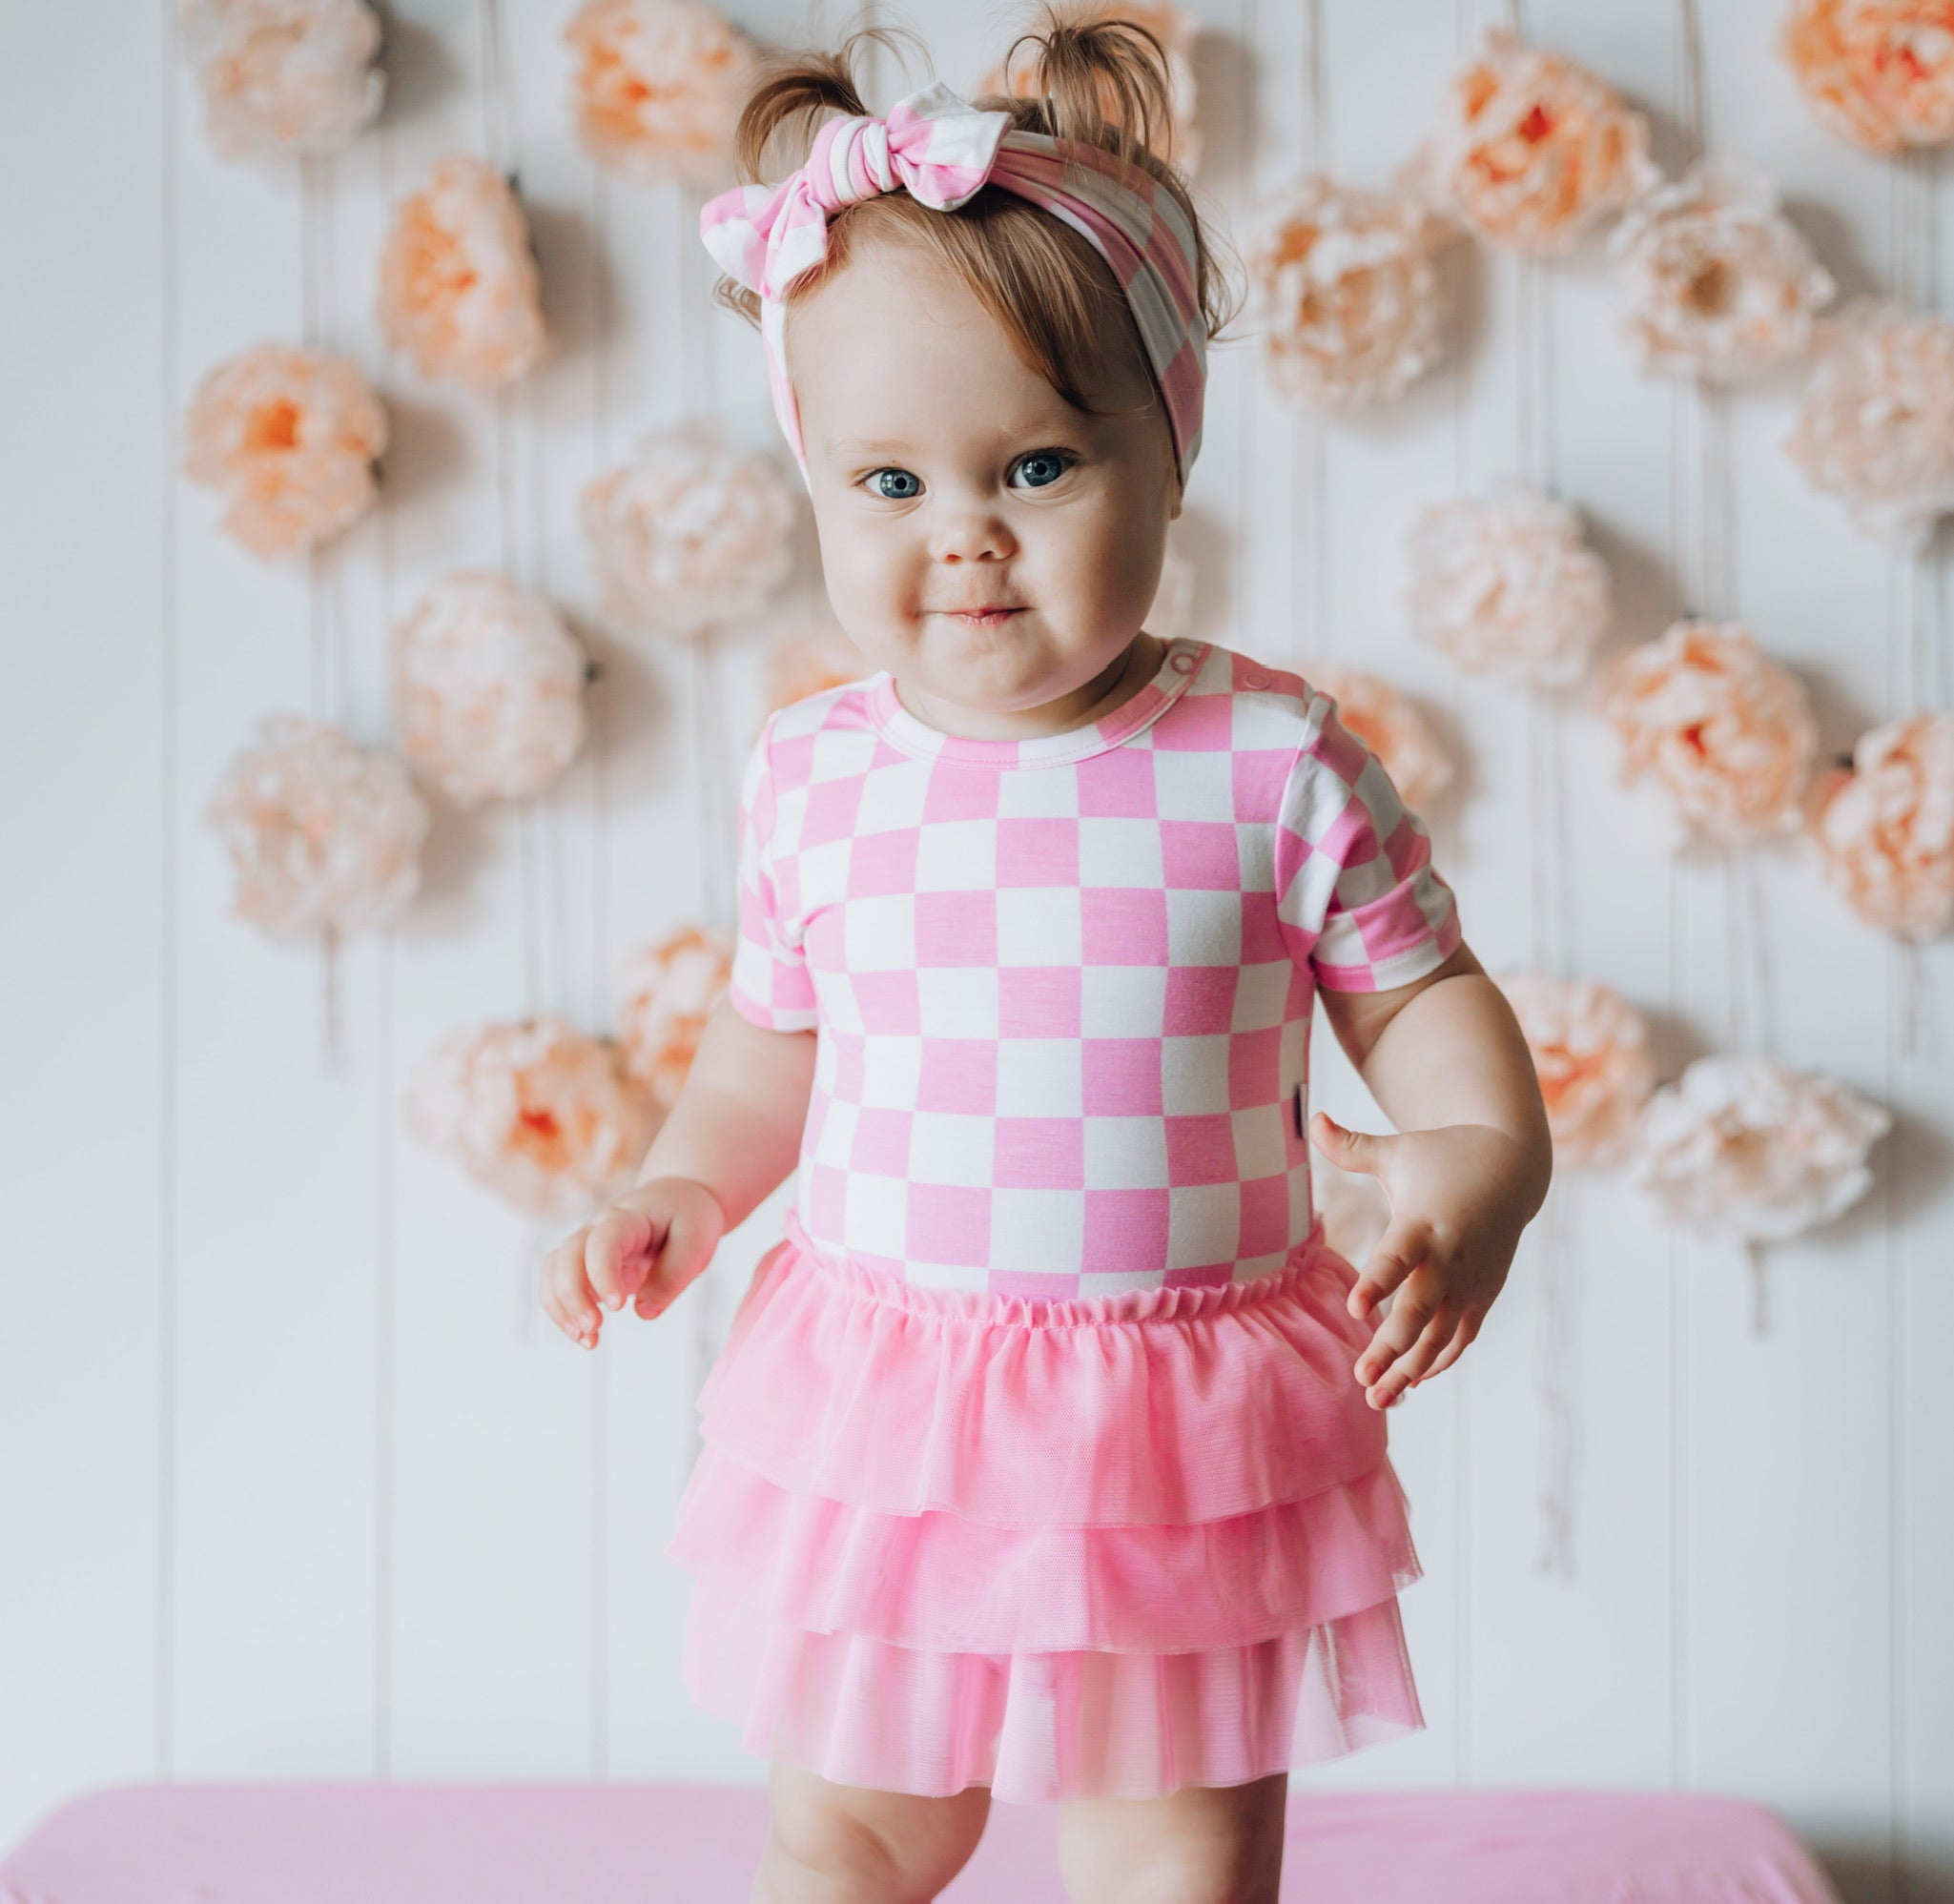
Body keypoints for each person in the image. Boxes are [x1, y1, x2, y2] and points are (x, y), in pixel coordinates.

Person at [541, 11, 1553, 1900]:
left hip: (1174, 1420)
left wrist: (1481, 1166)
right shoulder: (814, 775)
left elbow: (1420, 999)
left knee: (1172, 1857)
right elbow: (771, 1043)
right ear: (815, 481)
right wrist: (683, 1185)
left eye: (1032, 467)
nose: (965, 544)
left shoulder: (1266, 762)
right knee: (854, 1827)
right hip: (895, 1408)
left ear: (1166, 454)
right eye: (889, 484)